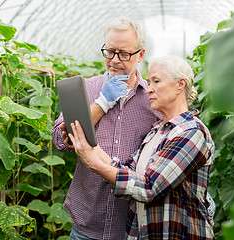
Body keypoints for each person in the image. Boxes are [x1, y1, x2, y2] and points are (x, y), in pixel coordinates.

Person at [68, 55, 215, 239]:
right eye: (149, 82)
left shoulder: (191, 132)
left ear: (180, 85)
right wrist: (89, 145)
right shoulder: (157, 131)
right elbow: (126, 170)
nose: (149, 89)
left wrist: (95, 164)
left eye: (156, 81)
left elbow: (149, 187)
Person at [51, 17, 161, 239]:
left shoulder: (153, 99)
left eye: (124, 54)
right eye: (109, 52)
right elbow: (60, 140)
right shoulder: (87, 89)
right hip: (87, 223)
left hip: (131, 226)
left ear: (140, 55)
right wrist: (102, 103)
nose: (114, 60)